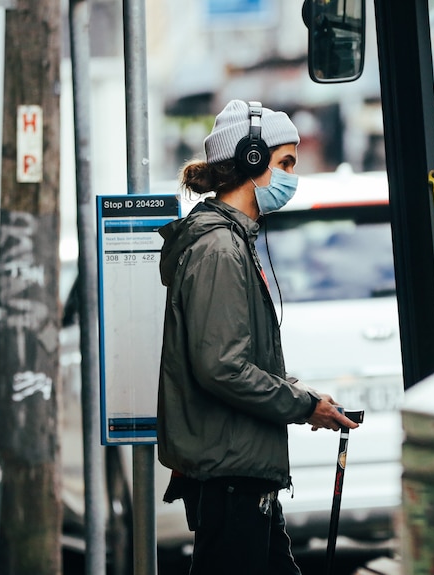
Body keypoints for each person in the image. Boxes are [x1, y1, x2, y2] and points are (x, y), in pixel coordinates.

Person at [157, 99, 358, 574]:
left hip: (242, 471)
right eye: (285, 162)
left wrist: (303, 396)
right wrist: (303, 405)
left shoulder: (231, 242)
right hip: (231, 475)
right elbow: (222, 366)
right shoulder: (220, 250)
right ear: (252, 161)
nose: (292, 175)